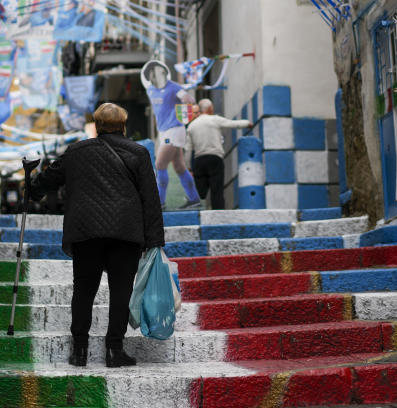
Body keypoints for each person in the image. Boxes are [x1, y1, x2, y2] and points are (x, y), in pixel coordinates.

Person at [31, 103, 165, 368]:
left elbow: (49, 179)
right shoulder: (138, 153)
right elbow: (150, 198)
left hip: (86, 231)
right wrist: (155, 242)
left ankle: (79, 350)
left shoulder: (76, 151)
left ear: (97, 125)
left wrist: (31, 188)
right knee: (120, 292)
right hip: (125, 232)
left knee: (84, 290)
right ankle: (114, 350)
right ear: (123, 126)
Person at [140, 60, 202, 210]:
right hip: (164, 131)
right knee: (179, 167)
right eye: (151, 73)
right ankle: (194, 199)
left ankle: (160, 202)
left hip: (174, 130)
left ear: (163, 72)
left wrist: (187, 102)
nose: (153, 75)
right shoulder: (150, 90)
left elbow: (190, 100)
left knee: (160, 164)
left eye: (156, 72)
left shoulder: (174, 88)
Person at [185, 99, 252, 210]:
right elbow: (232, 123)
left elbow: (188, 149)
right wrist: (247, 123)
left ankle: (196, 211)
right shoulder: (214, 119)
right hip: (215, 158)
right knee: (217, 190)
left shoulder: (192, 126)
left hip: (199, 160)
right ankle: (218, 214)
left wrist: (189, 168)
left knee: (200, 191)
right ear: (210, 109)